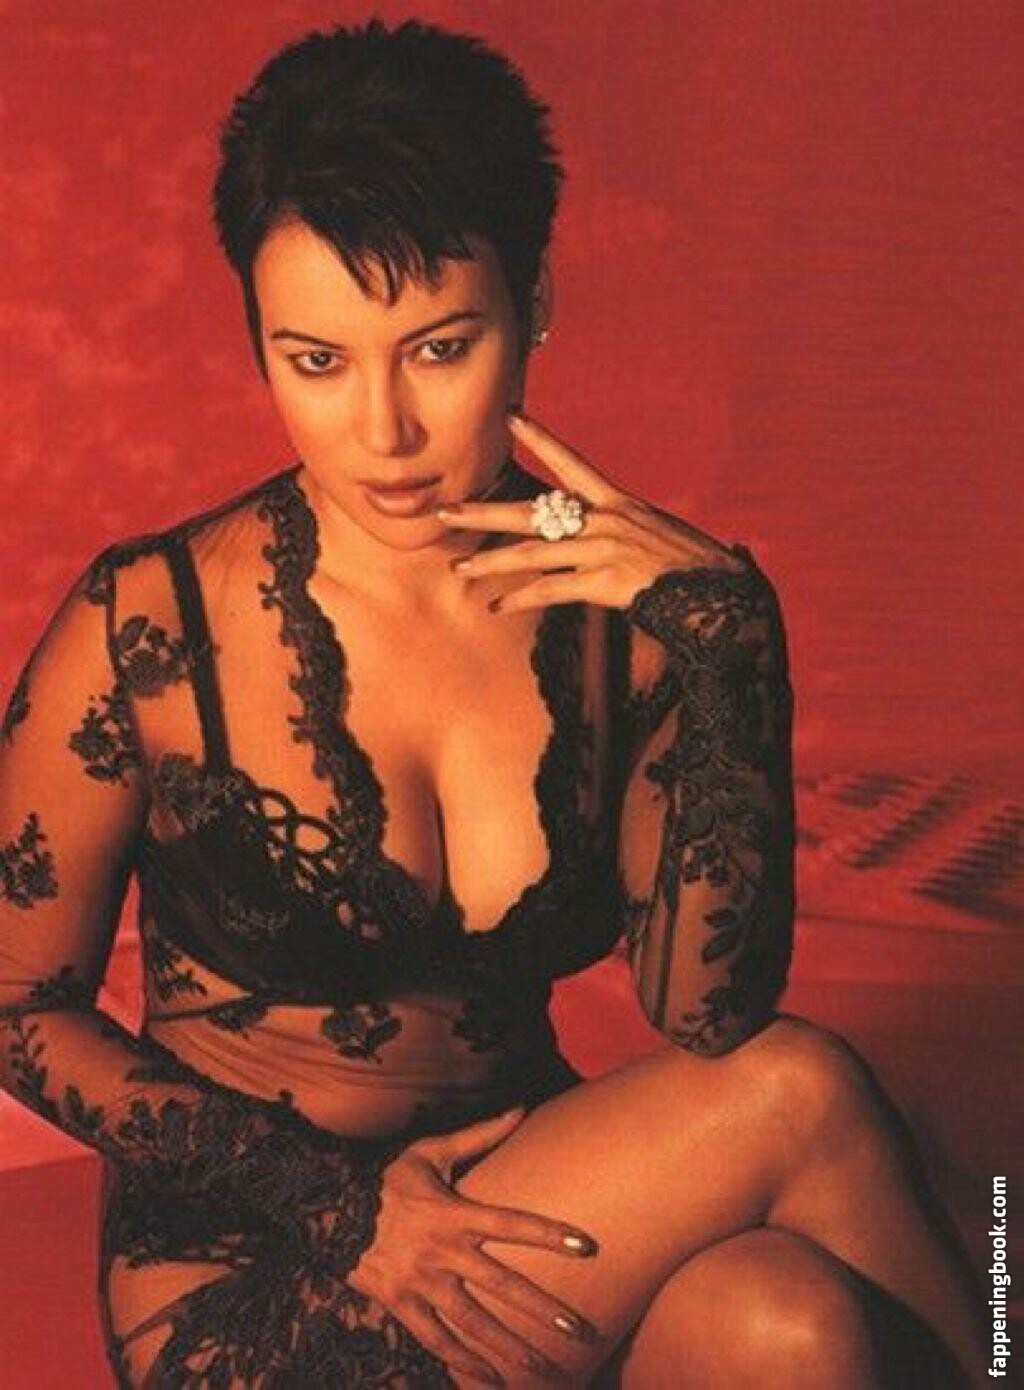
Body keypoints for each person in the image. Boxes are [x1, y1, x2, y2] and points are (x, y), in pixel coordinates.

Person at [0, 16, 987, 1388]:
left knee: (790, 1319)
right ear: (261, 341)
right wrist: (343, 1212)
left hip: (528, 1206)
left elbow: (705, 1015)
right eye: (317, 360)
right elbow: (17, 1006)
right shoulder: (149, 626)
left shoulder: (625, 628)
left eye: (439, 348)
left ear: (535, 304)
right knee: (803, 1089)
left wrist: (731, 654)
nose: (383, 432)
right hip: (253, 1264)